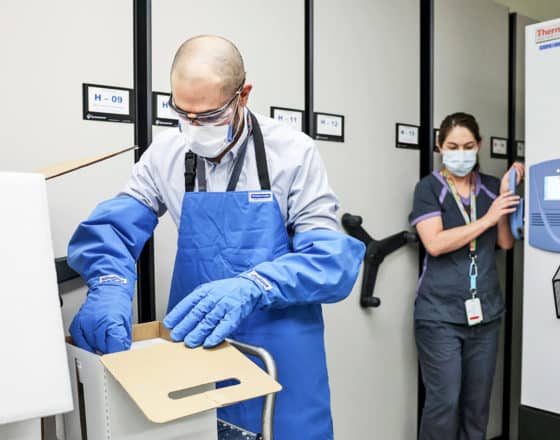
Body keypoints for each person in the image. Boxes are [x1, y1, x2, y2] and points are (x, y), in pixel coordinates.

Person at [66, 35, 365, 439]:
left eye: (207, 116)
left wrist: (254, 285)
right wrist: (108, 284)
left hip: (280, 351)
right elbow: (115, 227)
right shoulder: (165, 154)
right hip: (196, 345)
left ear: (243, 95)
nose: (193, 127)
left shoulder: (292, 153)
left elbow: (329, 260)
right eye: (182, 113)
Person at [409, 112, 524, 440]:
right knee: (444, 402)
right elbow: (435, 243)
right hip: (439, 316)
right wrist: (487, 218)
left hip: (485, 315)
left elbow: (504, 242)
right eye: (453, 146)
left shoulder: (489, 187)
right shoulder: (429, 189)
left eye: (468, 145)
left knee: (477, 406)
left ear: (480, 146)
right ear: (439, 146)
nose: (461, 153)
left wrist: (506, 192)